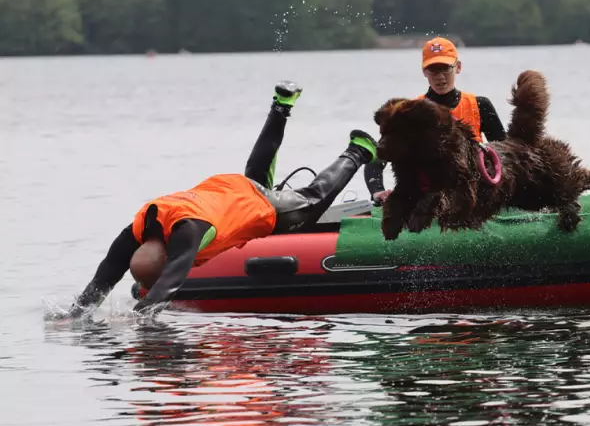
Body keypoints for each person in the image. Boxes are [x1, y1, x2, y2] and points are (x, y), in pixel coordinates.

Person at [63, 81, 378, 318]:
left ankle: (358, 149)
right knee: (256, 176)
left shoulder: (187, 233)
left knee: (311, 202)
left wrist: (139, 318)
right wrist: (76, 313)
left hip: (253, 205)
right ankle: (281, 105)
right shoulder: (139, 226)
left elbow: (170, 283)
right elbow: (108, 271)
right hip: (226, 186)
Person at [365, 36, 507, 204]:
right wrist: (377, 191)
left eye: (446, 68)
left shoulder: (480, 105)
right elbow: (378, 158)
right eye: (433, 70)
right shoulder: (409, 113)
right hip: (427, 198)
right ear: (424, 72)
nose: (440, 77)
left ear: (458, 67)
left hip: (473, 196)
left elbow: (505, 154)